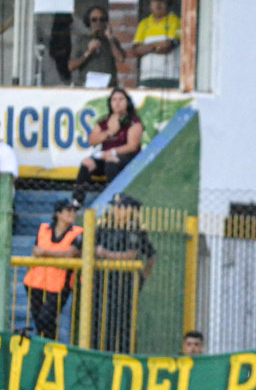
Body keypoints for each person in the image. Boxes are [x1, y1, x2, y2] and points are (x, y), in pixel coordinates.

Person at [92, 194, 156, 353]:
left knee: (123, 324)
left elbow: (134, 255)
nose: (115, 210)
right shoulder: (105, 227)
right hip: (104, 282)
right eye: (115, 207)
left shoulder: (135, 230)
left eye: (120, 208)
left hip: (125, 284)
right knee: (100, 323)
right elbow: (91, 249)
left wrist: (142, 279)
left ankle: (123, 356)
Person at [23, 199, 83, 340]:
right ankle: (46, 349)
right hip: (35, 282)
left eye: (74, 211)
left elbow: (70, 254)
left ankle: (48, 346)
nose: (73, 214)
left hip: (59, 285)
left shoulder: (78, 232)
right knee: (40, 322)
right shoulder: (44, 228)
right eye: (69, 210)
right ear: (58, 214)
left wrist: (45, 253)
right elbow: (35, 251)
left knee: (45, 319)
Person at [74, 88, 144, 205]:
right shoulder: (104, 121)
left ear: (127, 102)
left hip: (126, 158)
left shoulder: (133, 121)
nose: (117, 103)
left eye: (121, 99)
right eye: (114, 100)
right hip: (105, 156)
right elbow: (92, 140)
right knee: (87, 163)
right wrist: (110, 132)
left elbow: (132, 146)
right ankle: (76, 201)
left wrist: (113, 152)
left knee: (111, 161)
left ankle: (113, 199)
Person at [132, 0, 181, 89]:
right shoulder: (144, 24)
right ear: (150, 3)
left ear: (167, 3)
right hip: (147, 78)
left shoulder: (174, 21)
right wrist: (155, 47)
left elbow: (167, 46)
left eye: (162, 0)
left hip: (169, 78)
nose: (158, 4)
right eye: (155, 0)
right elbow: (135, 51)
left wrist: (146, 48)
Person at [68, 6, 125, 87]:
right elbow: (71, 66)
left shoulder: (111, 40)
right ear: (89, 22)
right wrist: (89, 52)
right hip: (88, 86)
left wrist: (109, 38)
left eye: (101, 20)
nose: (98, 23)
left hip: (108, 86)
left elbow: (120, 58)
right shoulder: (82, 40)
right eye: (94, 20)